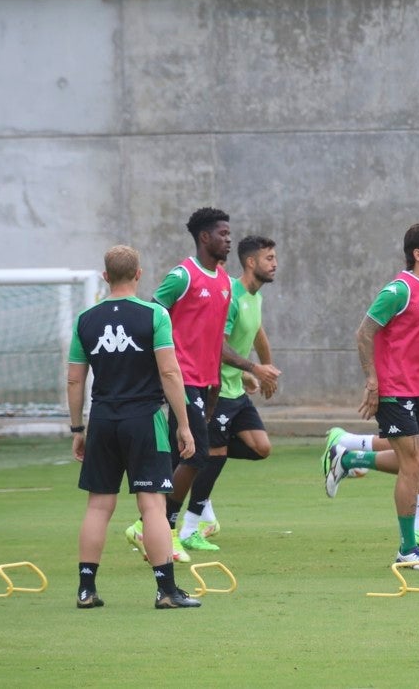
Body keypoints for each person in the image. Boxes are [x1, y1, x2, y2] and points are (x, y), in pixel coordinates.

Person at [322, 212, 419, 550]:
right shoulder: (398, 290)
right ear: (418, 254)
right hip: (396, 391)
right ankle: (407, 549)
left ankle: (349, 458)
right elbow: (364, 333)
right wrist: (372, 382)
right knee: (413, 464)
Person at [69, 245, 200, 609]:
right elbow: (170, 372)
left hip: (103, 420)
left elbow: (75, 380)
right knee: (153, 505)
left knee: (98, 506)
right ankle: (166, 591)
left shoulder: (85, 319)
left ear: (105, 276)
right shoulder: (154, 314)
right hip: (144, 420)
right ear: (139, 274)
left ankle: (86, 590)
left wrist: (77, 429)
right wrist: (184, 424)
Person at [125, 208, 233, 564]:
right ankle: (165, 527)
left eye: (229, 233)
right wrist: (157, 366)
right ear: (204, 237)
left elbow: (214, 339)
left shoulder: (224, 281)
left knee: (179, 456)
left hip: (204, 382)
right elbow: (151, 316)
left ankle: (146, 526)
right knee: (197, 454)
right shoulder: (182, 276)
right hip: (180, 377)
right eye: (222, 233)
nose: (228, 239)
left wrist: (215, 381)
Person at [175, 235, 281, 554]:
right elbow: (216, 345)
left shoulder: (254, 297)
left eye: (275, 258)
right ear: (250, 262)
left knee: (261, 447)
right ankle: (191, 527)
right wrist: (254, 368)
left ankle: (199, 462)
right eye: (269, 258)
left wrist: (264, 369)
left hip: (236, 390)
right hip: (216, 388)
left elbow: (257, 332)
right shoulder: (231, 294)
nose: (275, 264)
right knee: (215, 455)